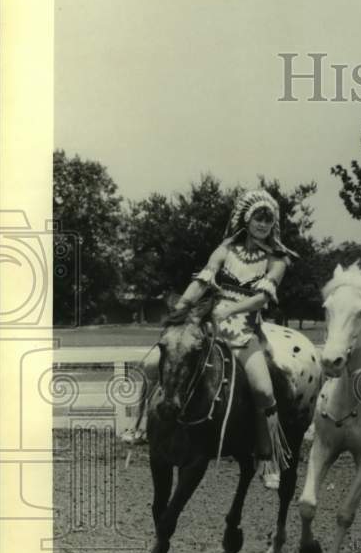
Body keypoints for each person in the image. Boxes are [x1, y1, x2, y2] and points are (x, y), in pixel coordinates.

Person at [126, 188, 298, 488]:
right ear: (247, 218)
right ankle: (139, 425)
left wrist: (232, 308)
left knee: (264, 390)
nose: (262, 225)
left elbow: (260, 299)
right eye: (258, 218)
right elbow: (201, 283)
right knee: (154, 365)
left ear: (273, 225)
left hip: (245, 332)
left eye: (268, 221)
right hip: (209, 326)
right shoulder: (225, 250)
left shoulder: (278, 259)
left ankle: (268, 457)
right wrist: (180, 311)